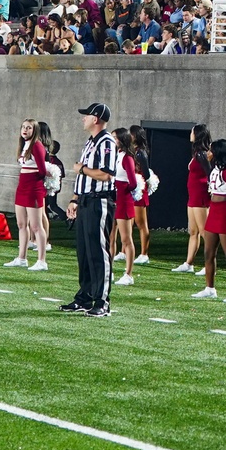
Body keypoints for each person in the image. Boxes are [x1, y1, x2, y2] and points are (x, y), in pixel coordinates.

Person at [63, 102, 117, 317]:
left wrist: (82, 169)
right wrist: (75, 199)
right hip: (85, 200)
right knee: (84, 253)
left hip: (99, 201)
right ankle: (85, 296)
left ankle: (102, 300)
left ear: (96, 119)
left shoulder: (106, 142)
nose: (83, 118)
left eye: (86, 115)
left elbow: (106, 174)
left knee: (98, 251)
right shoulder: (90, 142)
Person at [195, 138, 226, 303]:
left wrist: (222, 202)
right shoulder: (215, 169)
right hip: (214, 213)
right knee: (208, 253)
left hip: (225, 214)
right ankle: (210, 288)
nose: (208, 153)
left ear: (219, 152)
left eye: (211, 150)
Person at [9, 119, 51, 270]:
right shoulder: (24, 145)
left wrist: (35, 182)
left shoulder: (37, 146)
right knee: (21, 224)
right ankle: (22, 258)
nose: (25, 130)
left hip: (33, 188)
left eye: (29, 128)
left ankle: (41, 261)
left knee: (36, 226)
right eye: (23, 127)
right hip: (22, 187)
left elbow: (42, 170)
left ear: (35, 131)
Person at [175, 123, 213, 275]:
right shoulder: (196, 153)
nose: (190, 134)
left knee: (204, 232)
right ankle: (188, 263)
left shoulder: (203, 154)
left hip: (201, 195)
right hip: (193, 196)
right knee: (193, 231)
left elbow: (210, 174)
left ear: (197, 135)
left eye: (192, 132)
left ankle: (209, 264)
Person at [110, 126, 140, 281]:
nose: (112, 140)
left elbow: (133, 183)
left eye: (115, 138)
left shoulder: (127, 157)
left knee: (126, 239)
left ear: (122, 139)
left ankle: (128, 274)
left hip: (123, 200)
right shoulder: (117, 155)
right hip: (114, 199)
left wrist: (122, 190)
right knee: (110, 237)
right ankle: (109, 269)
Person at [127, 124, 153, 266]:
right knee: (128, 221)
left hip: (139, 190)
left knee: (141, 223)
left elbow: (146, 173)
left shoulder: (140, 153)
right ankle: (124, 251)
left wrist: (140, 181)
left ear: (135, 136)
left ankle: (144, 253)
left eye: (130, 134)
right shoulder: (132, 151)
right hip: (131, 189)